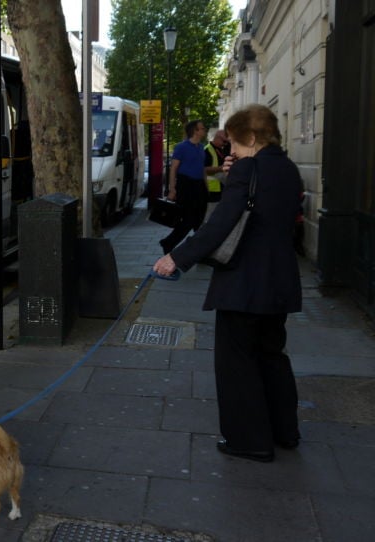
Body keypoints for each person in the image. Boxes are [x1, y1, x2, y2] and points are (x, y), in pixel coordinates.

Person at [153, 104, 303, 463]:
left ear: (251, 138)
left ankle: (248, 440)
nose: (230, 151)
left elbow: (221, 223)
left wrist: (176, 257)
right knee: (273, 356)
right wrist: (236, 173)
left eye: (235, 142)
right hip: (280, 280)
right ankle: (285, 432)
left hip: (244, 282)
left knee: (237, 362)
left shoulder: (248, 169)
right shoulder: (288, 169)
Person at [159, 120, 209, 255]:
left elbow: (202, 168)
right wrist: (172, 189)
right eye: (202, 128)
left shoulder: (201, 147)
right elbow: (174, 168)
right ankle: (171, 243)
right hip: (185, 185)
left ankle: (196, 250)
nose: (204, 130)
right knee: (188, 219)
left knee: (199, 219)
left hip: (199, 186)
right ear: (195, 131)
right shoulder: (181, 147)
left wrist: (206, 186)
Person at [204, 129, 230, 204]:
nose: (225, 144)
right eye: (224, 142)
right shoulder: (207, 150)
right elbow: (204, 169)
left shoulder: (220, 150)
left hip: (220, 188)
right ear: (217, 138)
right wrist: (221, 168)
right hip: (211, 190)